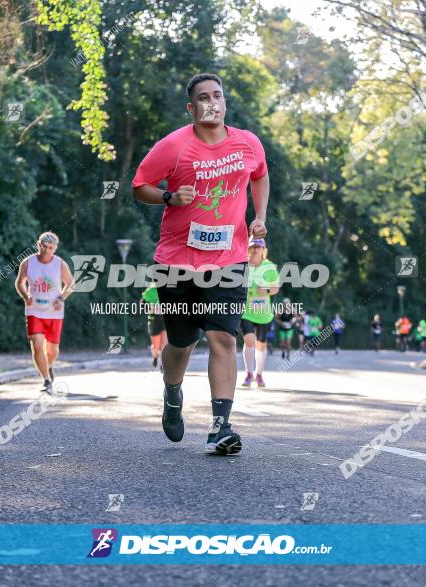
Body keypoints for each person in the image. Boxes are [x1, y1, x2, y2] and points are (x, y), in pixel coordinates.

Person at [131, 72, 269, 455]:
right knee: (181, 342)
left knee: (223, 337)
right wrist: (169, 198)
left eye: (218, 95)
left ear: (225, 102)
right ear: (192, 108)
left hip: (229, 259)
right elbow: (139, 185)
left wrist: (260, 215)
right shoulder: (174, 146)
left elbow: (260, 174)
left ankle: (220, 426)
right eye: (203, 98)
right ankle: (172, 391)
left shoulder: (247, 143)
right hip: (177, 261)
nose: (212, 102)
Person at [14, 231, 74, 394]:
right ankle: (46, 380)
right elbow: (19, 282)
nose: (48, 251)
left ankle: (49, 365)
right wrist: (26, 296)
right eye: (45, 247)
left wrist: (61, 298)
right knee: (37, 344)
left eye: (52, 248)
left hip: (54, 312)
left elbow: (71, 284)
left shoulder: (60, 264)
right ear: (39, 245)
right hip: (34, 311)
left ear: (55, 248)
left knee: (52, 351)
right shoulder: (28, 262)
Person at [239, 238, 280, 389]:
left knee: (261, 346)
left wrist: (267, 290)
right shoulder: (243, 265)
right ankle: (249, 373)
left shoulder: (269, 267)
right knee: (249, 340)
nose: (255, 250)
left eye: (258, 247)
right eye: (253, 246)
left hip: (264, 313)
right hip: (246, 312)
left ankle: (259, 374)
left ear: (264, 250)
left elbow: (276, 288)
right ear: (248, 248)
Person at [141, 283, 167, 369]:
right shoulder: (151, 290)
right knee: (156, 345)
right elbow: (142, 303)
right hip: (153, 319)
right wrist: (151, 308)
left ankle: (163, 364)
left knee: (164, 342)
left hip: (165, 319)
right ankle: (155, 357)